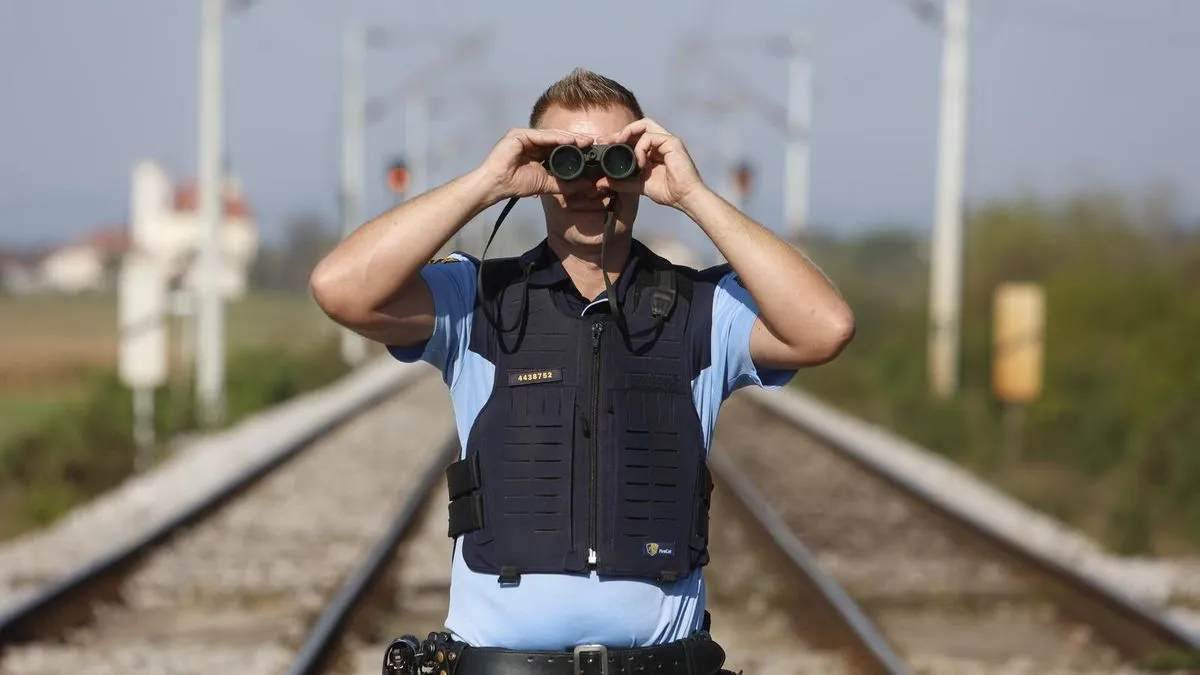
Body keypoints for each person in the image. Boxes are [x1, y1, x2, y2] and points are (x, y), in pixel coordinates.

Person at [310, 67, 854, 675]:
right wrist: (489, 182)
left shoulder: (703, 310)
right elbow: (341, 289)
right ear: (538, 169)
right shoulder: (478, 300)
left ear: (642, 168)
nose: (592, 181)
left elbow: (824, 327)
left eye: (614, 160)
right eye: (566, 159)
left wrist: (694, 196)